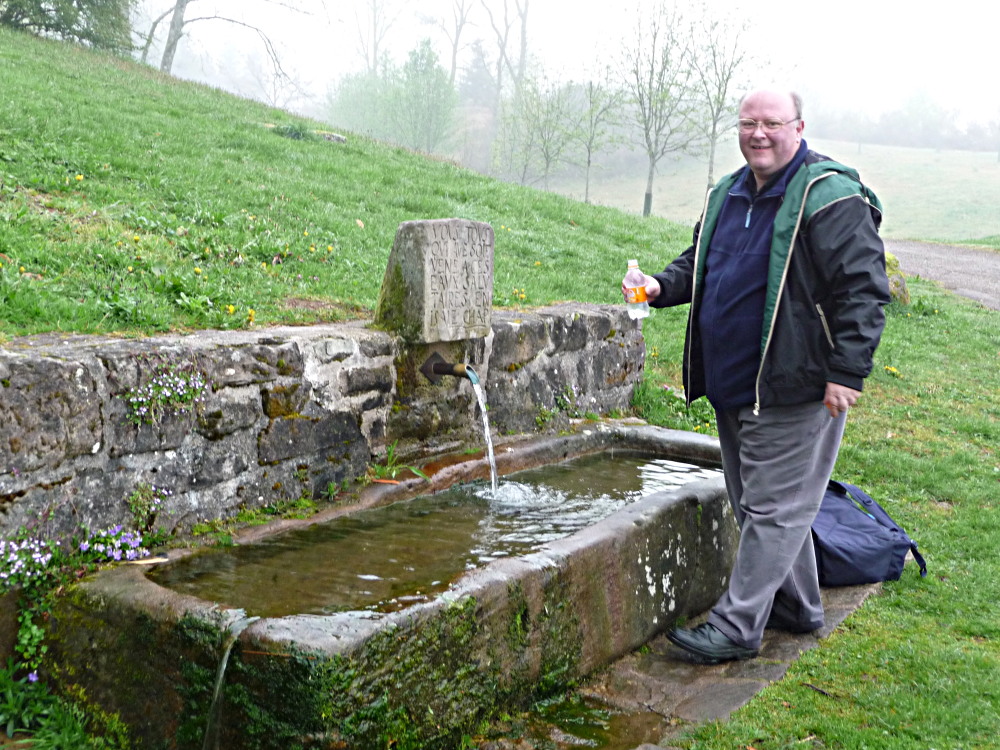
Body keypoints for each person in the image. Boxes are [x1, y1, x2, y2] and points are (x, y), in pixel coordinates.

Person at [624, 89, 890, 664]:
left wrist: (847, 370)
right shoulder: (729, 192)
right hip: (733, 383)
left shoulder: (828, 194)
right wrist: (660, 287)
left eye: (771, 123)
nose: (758, 134)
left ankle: (738, 626)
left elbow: (864, 290)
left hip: (795, 386)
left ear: (798, 126)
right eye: (749, 123)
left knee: (774, 509)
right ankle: (798, 607)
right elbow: (702, 260)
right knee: (758, 506)